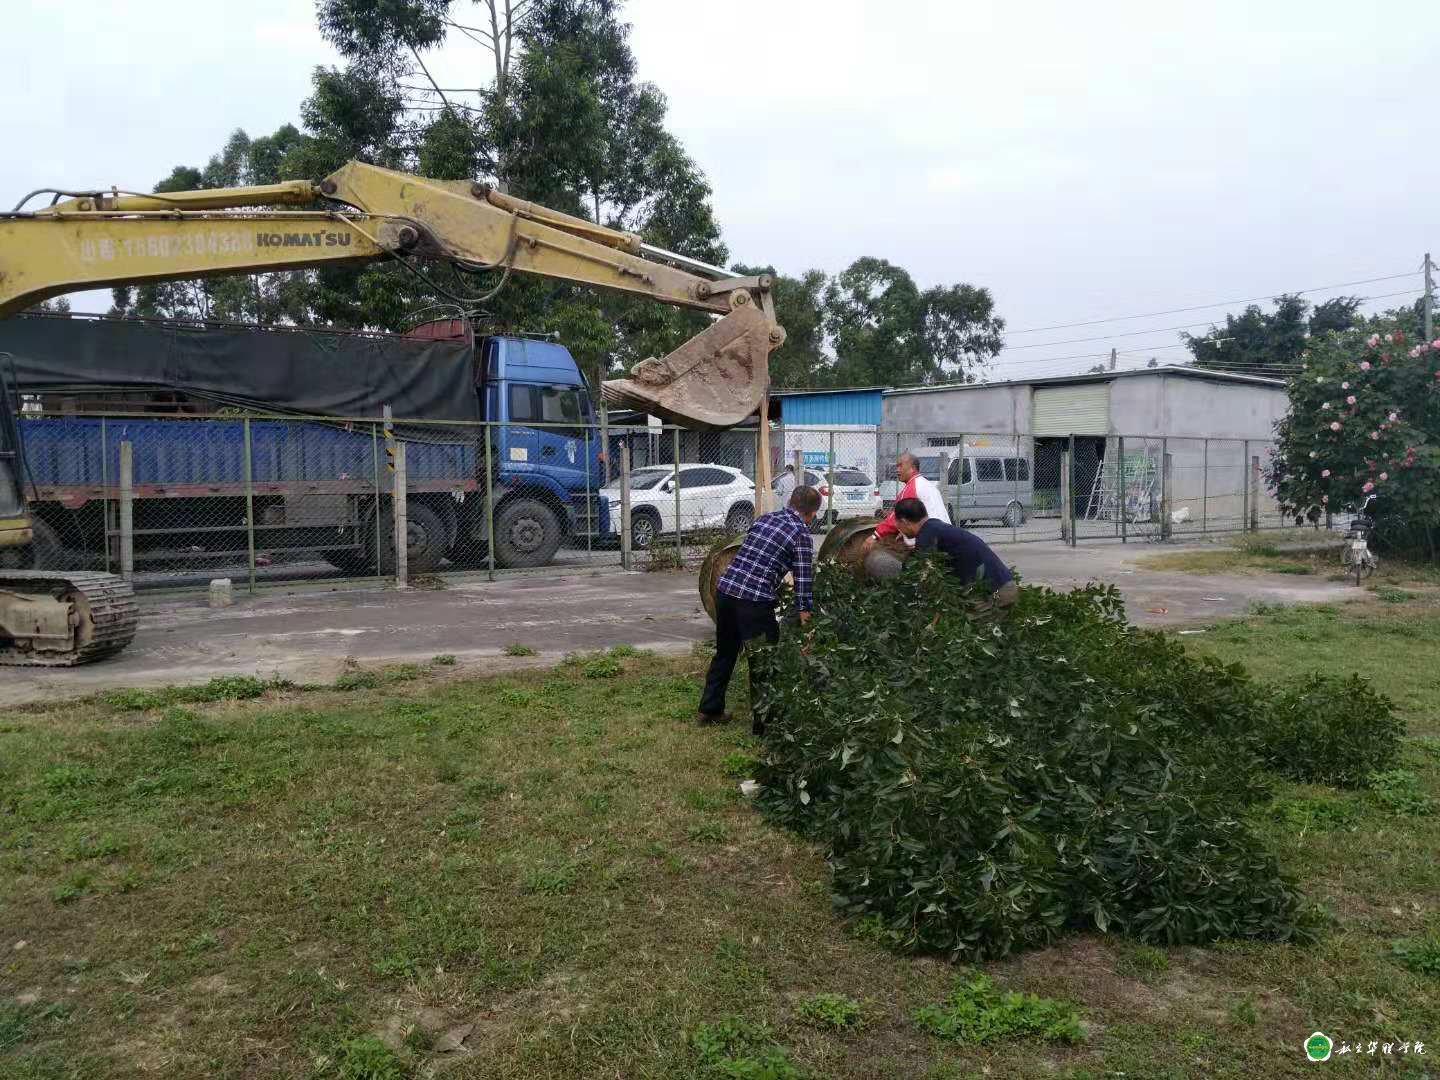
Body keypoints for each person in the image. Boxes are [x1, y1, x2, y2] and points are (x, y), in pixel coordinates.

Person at [699, 485, 821, 731]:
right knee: (764, 661)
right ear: (812, 514)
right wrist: (807, 628)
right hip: (753, 601)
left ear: (790, 501)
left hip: (725, 590)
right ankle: (765, 724)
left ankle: (710, 709)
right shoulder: (801, 535)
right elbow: (803, 585)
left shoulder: (765, 519)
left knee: (725, 652)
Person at [889, 497, 1018, 608]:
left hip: (996, 593)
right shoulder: (935, 527)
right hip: (1005, 585)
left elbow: (915, 574)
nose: (899, 529)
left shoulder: (927, 536)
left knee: (962, 624)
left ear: (904, 522)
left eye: (898, 525)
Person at [867, 452, 949, 554]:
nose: (897, 470)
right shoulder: (928, 485)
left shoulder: (911, 487)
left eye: (900, 466)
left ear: (912, 468)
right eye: (896, 466)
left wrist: (875, 535)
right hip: (944, 534)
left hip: (929, 541)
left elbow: (897, 517)